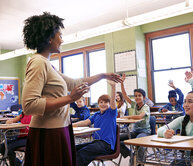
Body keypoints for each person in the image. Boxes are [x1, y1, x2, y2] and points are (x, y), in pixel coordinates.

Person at [22, 12, 121, 166]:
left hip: (59, 128)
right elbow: (29, 105)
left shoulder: (49, 65)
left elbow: (76, 83)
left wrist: (102, 75)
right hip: (48, 133)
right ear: (49, 38)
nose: (62, 39)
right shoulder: (38, 63)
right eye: (59, 35)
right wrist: (69, 98)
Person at [157, 71, 193, 163]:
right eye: (185, 101)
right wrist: (165, 133)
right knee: (174, 164)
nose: (185, 105)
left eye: (190, 101)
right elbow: (160, 130)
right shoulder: (182, 120)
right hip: (188, 160)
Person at [73, 80, 117, 166]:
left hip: (106, 145)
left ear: (109, 104)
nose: (103, 104)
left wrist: (113, 87)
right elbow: (85, 122)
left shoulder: (111, 113)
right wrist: (71, 125)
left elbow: (113, 102)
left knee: (83, 152)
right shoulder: (96, 114)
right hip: (96, 142)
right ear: (98, 104)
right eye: (101, 102)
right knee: (74, 149)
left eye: (105, 102)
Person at [119, 73, 151, 159]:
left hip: (144, 131)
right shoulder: (134, 104)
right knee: (116, 139)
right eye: (136, 96)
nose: (137, 97)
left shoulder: (146, 107)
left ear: (144, 97)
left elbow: (140, 116)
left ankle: (141, 162)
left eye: (139, 96)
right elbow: (125, 95)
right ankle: (131, 155)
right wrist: (122, 83)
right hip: (134, 131)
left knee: (139, 141)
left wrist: (127, 117)